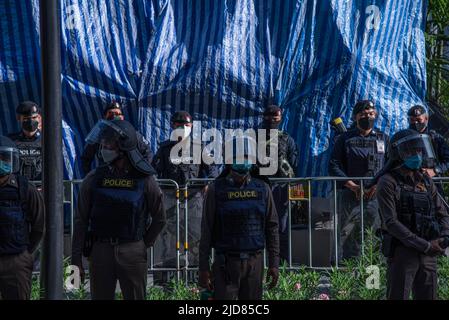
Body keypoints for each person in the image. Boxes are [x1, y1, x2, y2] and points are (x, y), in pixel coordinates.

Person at [71, 120, 166, 300]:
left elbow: (160, 218)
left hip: (132, 250)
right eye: (103, 143)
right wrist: (76, 261)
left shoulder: (145, 180)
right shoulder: (94, 178)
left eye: (108, 144)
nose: (103, 148)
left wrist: (142, 244)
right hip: (100, 251)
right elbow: (80, 220)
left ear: (123, 147)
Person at [198, 135, 279, 300]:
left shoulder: (263, 189)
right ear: (229, 160)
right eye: (238, 158)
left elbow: (272, 228)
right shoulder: (216, 190)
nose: (243, 162)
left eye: (247, 158)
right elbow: (206, 230)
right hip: (225, 264)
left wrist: (274, 263)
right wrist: (203, 267)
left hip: (254, 264)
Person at [377, 129, 449, 300]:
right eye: (411, 151)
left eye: (419, 150)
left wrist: (445, 237)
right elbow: (391, 222)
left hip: (429, 252)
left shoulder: (425, 180)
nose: (417, 154)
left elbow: (442, 213)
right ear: (399, 154)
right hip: (403, 252)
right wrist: (423, 245)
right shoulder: (388, 182)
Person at [152, 111, 219, 271]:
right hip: (170, 198)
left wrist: (207, 183)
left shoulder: (199, 147)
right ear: (172, 126)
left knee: (195, 235)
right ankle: (167, 277)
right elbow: (153, 170)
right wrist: (157, 186)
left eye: (186, 125)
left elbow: (214, 169)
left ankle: (195, 275)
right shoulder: (165, 148)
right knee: (168, 237)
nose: (182, 127)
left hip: (193, 199)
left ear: (191, 126)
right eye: (178, 124)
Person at [328, 100, 390, 262]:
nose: (367, 117)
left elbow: (390, 166)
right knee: (346, 232)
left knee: (373, 233)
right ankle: (346, 272)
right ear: (356, 117)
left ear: (375, 115)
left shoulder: (383, 138)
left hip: (374, 195)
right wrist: (353, 186)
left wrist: (377, 186)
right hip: (350, 195)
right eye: (363, 114)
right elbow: (334, 165)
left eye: (371, 114)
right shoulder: (345, 139)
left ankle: (371, 277)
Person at [0, 136, 45, 300]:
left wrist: (25, 254)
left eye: (3, 158)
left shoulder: (25, 188)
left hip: (16, 261)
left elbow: (39, 225)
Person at [257, 105, 298, 262]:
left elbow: (294, 163)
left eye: (275, 118)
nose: (271, 121)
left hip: (281, 188)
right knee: (259, 225)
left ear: (281, 118)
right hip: (261, 187)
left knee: (281, 226)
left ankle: (281, 263)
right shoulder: (254, 138)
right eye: (268, 117)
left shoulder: (287, 139)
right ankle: (262, 262)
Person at [80, 101, 153, 176]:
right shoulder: (99, 137)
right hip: (106, 180)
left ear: (123, 117)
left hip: (129, 179)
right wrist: (89, 176)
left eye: (118, 114)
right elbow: (86, 158)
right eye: (111, 114)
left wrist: (139, 173)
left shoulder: (133, 135)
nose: (115, 116)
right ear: (105, 117)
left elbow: (148, 153)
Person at [407, 105, 449, 194]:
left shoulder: (436, 139)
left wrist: (435, 170)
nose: (415, 123)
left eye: (419, 120)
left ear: (426, 119)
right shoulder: (403, 139)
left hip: (433, 184)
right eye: (412, 120)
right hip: (409, 185)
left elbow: (448, 160)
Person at [8, 101, 43, 183]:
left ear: (39, 118)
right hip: (18, 189)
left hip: (42, 189)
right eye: (26, 118)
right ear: (19, 118)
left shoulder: (48, 140)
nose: (31, 121)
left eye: (34, 118)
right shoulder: (11, 141)